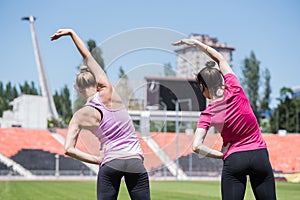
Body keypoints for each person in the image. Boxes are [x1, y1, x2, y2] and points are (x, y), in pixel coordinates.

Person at [50, 29, 150, 200]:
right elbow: (87, 56)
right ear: (96, 82)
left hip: (110, 163)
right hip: (135, 161)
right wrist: (72, 33)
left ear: (77, 88)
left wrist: (97, 159)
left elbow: (68, 149)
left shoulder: (79, 116)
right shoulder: (107, 90)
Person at [173, 38, 276, 200]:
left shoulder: (208, 113)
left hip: (235, 159)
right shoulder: (235, 88)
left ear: (202, 87)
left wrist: (220, 155)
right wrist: (197, 43)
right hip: (259, 156)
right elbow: (220, 58)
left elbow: (196, 146)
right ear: (220, 80)